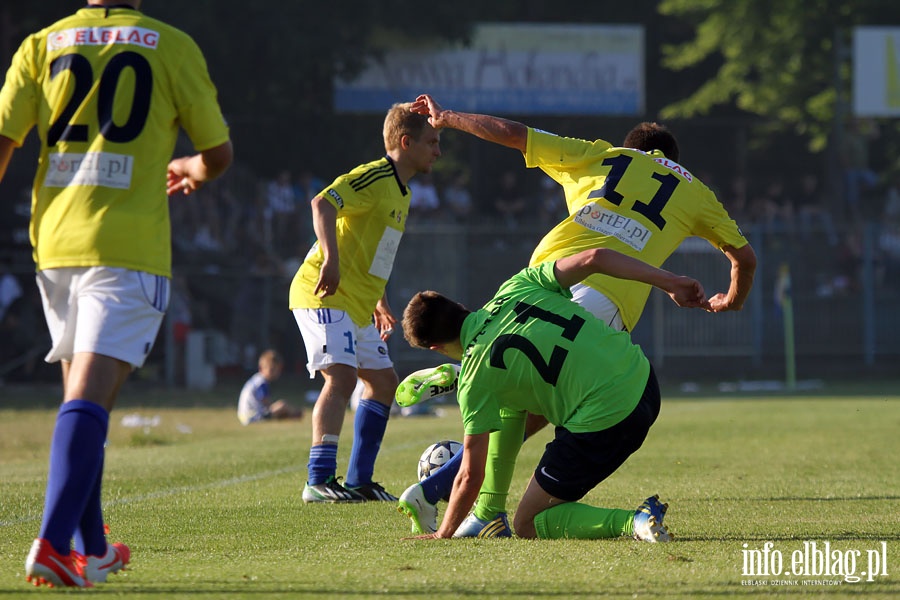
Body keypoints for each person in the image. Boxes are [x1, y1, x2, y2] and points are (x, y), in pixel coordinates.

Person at [398, 94, 756, 535]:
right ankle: (454, 478)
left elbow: (513, 134)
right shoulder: (695, 191)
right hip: (604, 298)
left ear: (634, 148)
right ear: (670, 159)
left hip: (540, 281)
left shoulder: (600, 154)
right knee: (527, 390)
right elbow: (745, 258)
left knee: (516, 391)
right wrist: (731, 301)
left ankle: (467, 482)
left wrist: (449, 118)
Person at [0, 0, 233, 588]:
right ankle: (52, 545)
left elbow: (3, 141)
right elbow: (218, 155)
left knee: (83, 401)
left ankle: (93, 548)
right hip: (125, 247)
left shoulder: (42, 43)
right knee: (90, 400)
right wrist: (191, 167)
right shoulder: (171, 44)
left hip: (54, 244)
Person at [399, 247, 708, 540]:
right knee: (511, 406)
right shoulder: (517, 285)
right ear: (460, 307)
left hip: (610, 419)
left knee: (529, 522)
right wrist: (670, 281)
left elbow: (469, 476)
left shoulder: (475, 379)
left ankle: (635, 520)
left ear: (436, 348)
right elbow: (595, 257)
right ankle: (489, 512)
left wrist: (444, 533)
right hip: (642, 377)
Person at [289, 102, 441, 503]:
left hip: (357, 301)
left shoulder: (402, 191)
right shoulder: (375, 176)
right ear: (405, 143)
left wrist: (380, 301)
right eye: (432, 142)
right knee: (340, 377)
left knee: (383, 381)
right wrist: (332, 261)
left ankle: (359, 481)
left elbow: (379, 252)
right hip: (322, 291)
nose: (437, 151)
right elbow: (322, 203)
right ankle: (318, 480)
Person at [237, 350, 303, 425]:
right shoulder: (261, 382)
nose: (275, 373)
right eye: (272, 370)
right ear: (261, 368)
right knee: (282, 405)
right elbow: (266, 403)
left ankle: (291, 415)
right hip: (252, 416)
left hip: (245, 416)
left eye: (277, 370)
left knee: (278, 409)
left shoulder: (256, 379)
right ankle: (294, 414)